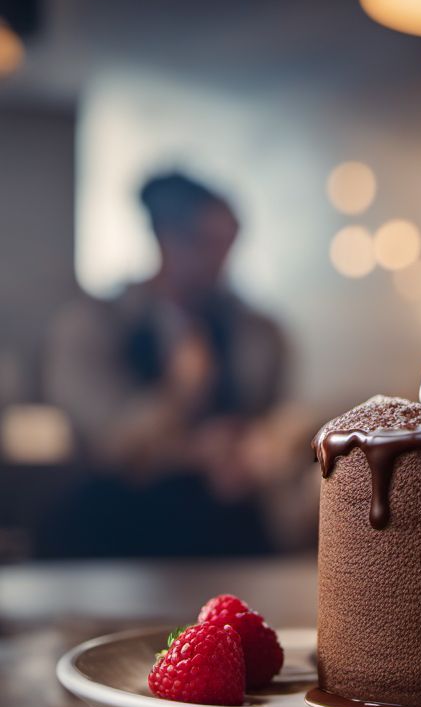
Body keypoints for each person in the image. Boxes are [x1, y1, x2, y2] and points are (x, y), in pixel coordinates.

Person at [45, 171, 287, 556]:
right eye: (205, 243)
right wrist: (180, 398)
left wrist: (255, 453)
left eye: (227, 244)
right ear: (165, 238)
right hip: (116, 532)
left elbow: (271, 421)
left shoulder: (257, 332)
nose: (219, 260)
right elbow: (108, 444)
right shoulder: (93, 325)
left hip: (226, 532)